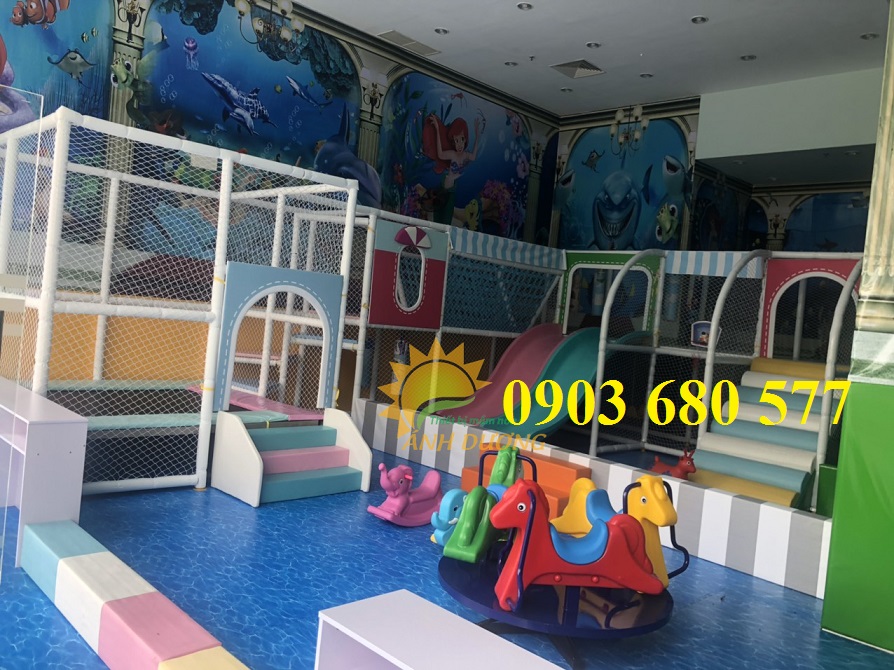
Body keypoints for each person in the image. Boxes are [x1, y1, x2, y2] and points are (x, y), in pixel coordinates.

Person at [422, 113, 481, 225]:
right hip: (444, 186)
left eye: (462, 139)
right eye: (456, 140)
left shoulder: (465, 155)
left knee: (447, 218)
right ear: (453, 142)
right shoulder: (452, 154)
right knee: (438, 214)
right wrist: (437, 129)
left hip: (451, 190)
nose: (459, 144)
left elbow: (473, 157)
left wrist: (477, 135)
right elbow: (440, 154)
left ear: (465, 139)